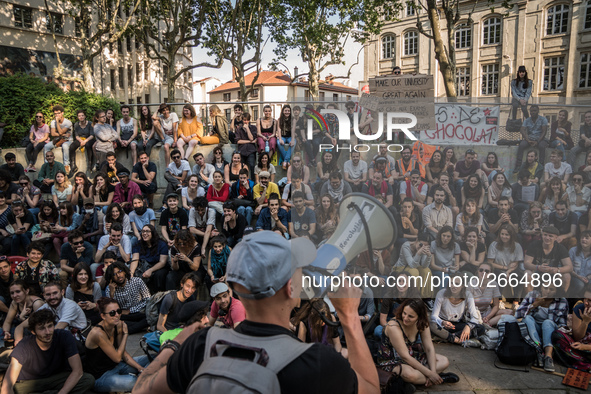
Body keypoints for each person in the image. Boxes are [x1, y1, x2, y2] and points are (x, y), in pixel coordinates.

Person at [133, 231, 378, 394]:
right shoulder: (318, 362)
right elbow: (371, 388)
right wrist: (348, 317)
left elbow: (141, 388)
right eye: (299, 269)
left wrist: (175, 344)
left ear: (236, 287)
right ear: (291, 289)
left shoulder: (200, 346)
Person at [2, 309, 94, 394]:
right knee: (15, 389)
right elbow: (7, 385)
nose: (47, 332)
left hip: (56, 378)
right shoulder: (24, 345)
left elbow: (77, 371)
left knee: (87, 380)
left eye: (50, 326)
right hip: (28, 383)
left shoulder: (64, 336)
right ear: (33, 332)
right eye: (42, 328)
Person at [376, 299, 457, 388]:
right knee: (410, 375)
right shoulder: (393, 326)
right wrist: (429, 373)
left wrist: (432, 372)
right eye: (404, 313)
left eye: (410, 316)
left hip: (412, 356)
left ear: (419, 317)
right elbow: (405, 357)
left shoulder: (422, 323)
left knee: (444, 361)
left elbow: (429, 348)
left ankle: (423, 380)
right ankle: (440, 378)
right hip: (391, 361)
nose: (405, 318)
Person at [84, 297, 149, 392]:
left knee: (152, 357)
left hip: (116, 366)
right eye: (112, 313)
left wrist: (140, 368)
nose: (117, 315)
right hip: (101, 376)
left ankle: (143, 377)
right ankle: (143, 379)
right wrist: (125, 334)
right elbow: (117, 358)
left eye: (118, 311)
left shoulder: (117, 325)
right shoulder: (98, 333)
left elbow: (123, 353)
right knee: (132, 381)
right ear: (103, 316)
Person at [513, 284, 568, 372]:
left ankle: (548, 356)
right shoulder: (532, 295)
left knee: (547, 322)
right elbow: (518, 315)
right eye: (545, 288)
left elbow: (562, 324)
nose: (548, 291)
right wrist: (534, 305)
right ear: (541, 287)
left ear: (557, 290)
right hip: (533, 330)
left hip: (550, 331)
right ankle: (538, 350)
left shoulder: (562, 301)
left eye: (552, 289)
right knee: (527, 318)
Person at [15, 281, 87, 344]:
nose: (52, 297)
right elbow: (20, 327)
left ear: (62, 292)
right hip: (58, 339)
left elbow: (58, 329)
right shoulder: (46, 307)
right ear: (44, 296)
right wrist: (19, 345)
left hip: (79, 341)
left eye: (55, 293)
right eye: (48, 294)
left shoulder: (70, 305)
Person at [430, 273, 485, 345]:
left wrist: (468, 326)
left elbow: (475, 317)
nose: (453, 286)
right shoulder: (441, 293)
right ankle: (455, 339)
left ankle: (449, 337)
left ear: (462, 286)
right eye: (451, 283)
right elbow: (434, 316)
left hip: (457, 324)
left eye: (457, 283)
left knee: (481, 328)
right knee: (432, 325)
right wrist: (443, 322)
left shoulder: (468, 295)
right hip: (444, 324)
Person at [551, 284, 591, 371]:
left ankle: (580, 362)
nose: (586, 303)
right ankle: (584, 363)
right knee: (557, 335)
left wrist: (585, 347)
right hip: (581, 343)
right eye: (585, 299)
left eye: (589, 300)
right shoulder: (579, 309)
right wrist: (585, 322)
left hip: (587, 347)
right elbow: (577, 337)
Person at [524, 226, 573, 294]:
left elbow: (569, 267)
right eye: (545, 235)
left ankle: (561, 299)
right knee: (527, 273)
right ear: (542, 235)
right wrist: (538, 267)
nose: (547, 238)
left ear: (556, 238)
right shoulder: (534, 245)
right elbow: (526, 263)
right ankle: (530, 299)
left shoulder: (560, 248)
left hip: (553, 272)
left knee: (567, 276)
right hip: (537, 271)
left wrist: (557, 270)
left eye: (550, 236)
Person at [104, 262, 150, 334]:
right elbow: (110, 310)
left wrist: (130, 310)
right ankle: (136, 327)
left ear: (125, 272)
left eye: (120, 272)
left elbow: (147, 300)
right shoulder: (110, 289)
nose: (118, 275)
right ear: (111, 278)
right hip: (123, 316)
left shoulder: (137, 281)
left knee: (150, 317)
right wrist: (112, 294)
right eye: (114, 274)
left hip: (139, 312)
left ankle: (128, 328)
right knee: (111, 319)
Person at [470, 261, 513, 327]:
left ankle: (486, 323)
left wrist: (488, 317)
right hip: (473, 313)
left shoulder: (494, 284)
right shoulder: (471, 283)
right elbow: (468, 306)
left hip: (486, 312)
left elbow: (496, 306)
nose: (483, 272)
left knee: (510, 312)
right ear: (477, 271)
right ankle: (485, 324)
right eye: (481, 270)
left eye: (487, 271)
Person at [130, 224, 169, 292]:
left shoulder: (161, 244)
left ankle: (158, 295)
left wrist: (151, 270)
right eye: (143, 231)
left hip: (158, 266)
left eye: (147, 231)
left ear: (152, 233)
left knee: (159, 275)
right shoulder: (138, 244)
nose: (145, 233)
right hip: (143, 265)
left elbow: (162, 262)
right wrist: (131, 273)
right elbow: (135, 259)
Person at [392, 233, 432, 298]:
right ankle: (414, 297)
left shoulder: (422, 248)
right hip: (401, 268)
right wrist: (418, 253)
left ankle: (426, 297)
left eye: (425, 246)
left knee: (427, 271)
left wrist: (429, 256)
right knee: (414, 272)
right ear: (416, 240)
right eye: (421, 244)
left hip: (414, 267)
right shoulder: (406, 246)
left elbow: (424, 266)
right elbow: (412, 264)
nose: (422, 247)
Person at [514, 105, 550, 170]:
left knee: (542, 146)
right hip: (530, 139)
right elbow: (522, 129)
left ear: (538, 111)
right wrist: (528, 140)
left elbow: (544, 132)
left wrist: (537, 141)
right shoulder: (527, 120)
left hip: (540, 139)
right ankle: (518, 165)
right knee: (521, 145)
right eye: (531, 111)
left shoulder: (543, 119)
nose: (533, 112)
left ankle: (541, 165)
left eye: (535, 111)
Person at [43, 105, 74, 174]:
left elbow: (60, 132)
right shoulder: (52, 122)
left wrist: (57, 123)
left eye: (58, 113)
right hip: (58, 140)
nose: (57, 115)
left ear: (62, 113)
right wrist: (63, 135)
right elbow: (53, 134)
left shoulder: (68, 122)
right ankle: (46, 164)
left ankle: (66, 165)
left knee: (65, 146)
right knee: (46, 146)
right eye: (55, 114)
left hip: (68, 140)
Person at [68, 109, 95, 176]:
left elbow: (92, 135)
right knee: (72, 146)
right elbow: (76, 135)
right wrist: (81, 141)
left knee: (88, 145)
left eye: (82, 115)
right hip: (80, 139)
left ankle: (89, 164)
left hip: (89, 139)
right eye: (79, 116)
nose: (81, 117)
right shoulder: (76, 124)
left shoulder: (90, 124)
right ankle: (73, 164)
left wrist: (85, 141)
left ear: (85, 116)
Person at [568, 231, 591, 296]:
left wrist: (588, 277)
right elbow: (568, 267)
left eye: (587, 238)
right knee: (580, 284)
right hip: (574, 276)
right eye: (582, 237)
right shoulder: (573, 250)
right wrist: (579, 277)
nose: (583, 239)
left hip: (588, 277)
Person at [234, 112, 257, 177]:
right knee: (241, 168)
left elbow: (252, 138)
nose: (246, 122)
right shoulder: (239, 129)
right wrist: (249, 141)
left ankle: (253, 182)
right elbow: (238, 141)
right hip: (242, 151)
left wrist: (247, 128)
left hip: (251, 151)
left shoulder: (253, 128)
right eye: (244, 120)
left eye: (247, 120)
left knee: (252, 167)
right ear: (242, 120)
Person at [277, 104, 295, 170]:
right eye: (285, 110)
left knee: (293, 144)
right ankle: (287, 161)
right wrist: (280, 138)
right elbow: (279, 129)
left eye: (288, 110)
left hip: (290, 136)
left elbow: (293, 130)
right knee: (279, 143)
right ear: (283, 111)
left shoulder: (293, 119)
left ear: (290, 112)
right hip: (283, 136)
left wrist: (292, 140)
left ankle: (284, 161)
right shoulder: (279, 120)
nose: (287, 112)